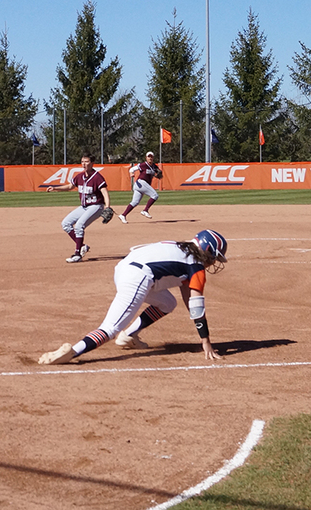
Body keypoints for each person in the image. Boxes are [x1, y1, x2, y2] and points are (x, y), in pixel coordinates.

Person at [38, 229, 228, 365]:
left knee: (168, 303)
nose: (213, 262)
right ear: (207, 251)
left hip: (125, 269)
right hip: (139, 277)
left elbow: (188, 300)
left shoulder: (179, 247)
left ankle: (128, 336)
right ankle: (73, 352)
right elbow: (196, 308)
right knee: (110, 328)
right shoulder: (196, 267)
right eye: (215, 257)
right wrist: (206, 342)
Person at [46, 152, 112, 263]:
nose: (84, 164)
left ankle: (77, 254)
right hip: (84, 206)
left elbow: (105, 192)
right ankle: (82, 246)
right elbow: (70, 186)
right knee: (66, 223)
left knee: (79, 226)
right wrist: (55, 188)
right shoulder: (80, 176)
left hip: (96, 206)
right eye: (82, 161)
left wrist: (107, 207)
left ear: (92, 163)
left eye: (86, 161)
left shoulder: (97, 178)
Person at [119, 151, 162, 223]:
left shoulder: (154, 166)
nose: (150, 158)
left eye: (151, 157)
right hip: (141, 183)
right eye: (149, 156)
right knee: (155, 195)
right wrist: (131, 173)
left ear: (153, 158)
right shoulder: (143, 165)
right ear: (146, 158)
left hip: (142, 185)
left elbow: (159, 173)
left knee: (135, 202)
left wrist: (159, 175)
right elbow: (131, 169)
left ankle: (123, 215)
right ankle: (145, 210)